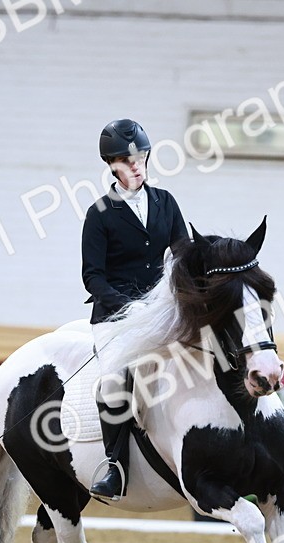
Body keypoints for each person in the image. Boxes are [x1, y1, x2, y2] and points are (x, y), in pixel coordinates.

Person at [82, 119, 187, 500]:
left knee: (215, 350)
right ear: (111, 164)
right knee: (113, 381)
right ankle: (114, 465)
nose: (137, 166)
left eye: (141, 157)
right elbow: (92, 278)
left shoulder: (165, 202)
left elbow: (182, 256)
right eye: (127, 160)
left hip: (160, 310)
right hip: (115, 316)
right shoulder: (100, 213)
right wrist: (128, 308)